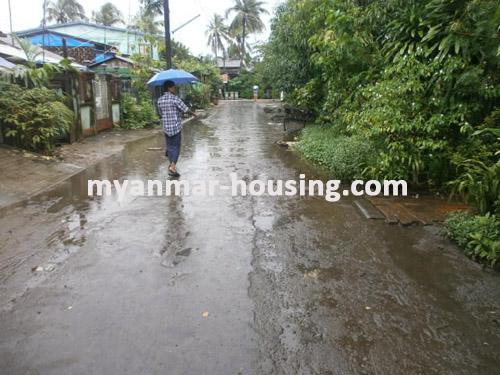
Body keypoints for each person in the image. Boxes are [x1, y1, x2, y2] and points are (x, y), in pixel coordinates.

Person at [157, 80, 196, 177]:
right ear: (169, 88)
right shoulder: (175, 99)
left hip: (166, 127)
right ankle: (172, 166)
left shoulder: (160, 100)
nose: (175, 88)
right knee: (176, 147)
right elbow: (185, 109)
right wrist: (194, 114)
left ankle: (171, 165)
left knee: (170, 146)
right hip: (175, 127)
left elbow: (160, 113)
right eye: (174, 87)